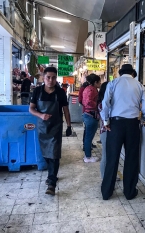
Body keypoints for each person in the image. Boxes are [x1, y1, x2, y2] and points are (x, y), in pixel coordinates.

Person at [100, 64, 145, 200]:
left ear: (120, 73)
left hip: (115, 124)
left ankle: (106, 192)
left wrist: (106, 122)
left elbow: (105, 104)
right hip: (132, 124)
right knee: (131, 158)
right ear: (133, 73)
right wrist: (144, 119)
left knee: (112, 158)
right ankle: (129, 192)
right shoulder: (140, 86)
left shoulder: (113, 83)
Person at [29, 66, 72, 195]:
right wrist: (41, 115)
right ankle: (51, 175)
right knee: (46, 154)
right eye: (48, 77)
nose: (51, 80)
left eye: (53, 77)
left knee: (54, 154)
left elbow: (65, 109)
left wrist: (69, 126)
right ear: (43, 77)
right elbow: (31, 109)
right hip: (42, 128)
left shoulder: (60, 92)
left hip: (55, 127)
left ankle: (52, 183)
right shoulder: (37, 91)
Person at [82, 74, 101, 163]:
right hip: (90, 115)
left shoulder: (87, 88)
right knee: (89, 137)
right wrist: (97, 105)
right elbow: (88, 102)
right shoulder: (91, 89)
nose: (100, 83)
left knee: (88, 137)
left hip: (88, 114)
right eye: (99, 82)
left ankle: (87, 155)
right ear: (95, 82)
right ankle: (88, 157)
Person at [98, 82, 109, 179]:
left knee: (110, 156)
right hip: (105, 132)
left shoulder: (106, 102)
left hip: (107, 132)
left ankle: (109, 175)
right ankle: (104, 177)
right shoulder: (102, 104)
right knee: (105, 156)